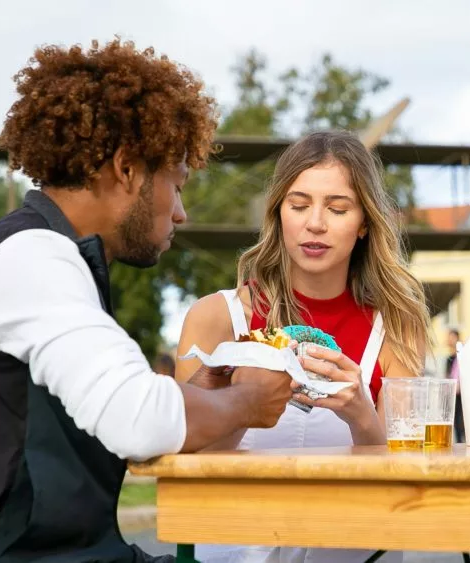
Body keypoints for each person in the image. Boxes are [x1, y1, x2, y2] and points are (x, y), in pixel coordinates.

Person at [0, 39, 295, 563]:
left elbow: (114, 406)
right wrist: (247, 403)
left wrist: (194, 397)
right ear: (127, 168)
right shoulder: (32, 257)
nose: (181, 213)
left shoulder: (41, 254)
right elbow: (140, 422)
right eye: (177, 184)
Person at [176, 130, 431, 563]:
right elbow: (185, 464)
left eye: (337, 208)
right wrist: (242, 401)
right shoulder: (215, 317)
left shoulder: (397, 326)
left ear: (365, 222)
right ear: (278, 214)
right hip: (235, 548)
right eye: (298, 205)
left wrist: (361, 416)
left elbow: (406, 483)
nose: (315, 223)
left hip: (356, 549)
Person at [446, 329, 466, 443]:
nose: (449, 340)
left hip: (460, 395)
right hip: (453, 394)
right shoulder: (449, 358)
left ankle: (461, 442)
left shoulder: (461, 356)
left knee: (460, 422)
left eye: (452, 337)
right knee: (454, 422)